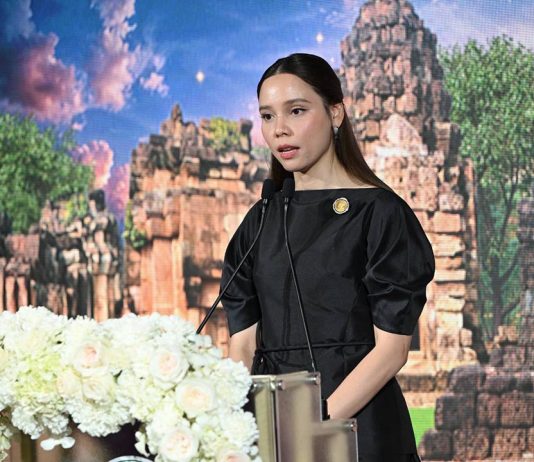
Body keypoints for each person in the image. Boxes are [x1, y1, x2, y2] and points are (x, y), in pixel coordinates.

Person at [220, 53, 435, 461]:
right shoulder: (259, 221)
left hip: (359, 429)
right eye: (267, 116)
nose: (280, 129)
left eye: (296, 111)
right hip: (274, 433)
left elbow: (391, 351)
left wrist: (312, 426)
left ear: (335, 113)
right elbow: (242, 346)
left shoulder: (381, 213)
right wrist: (231, 425)